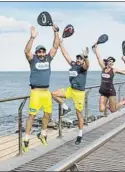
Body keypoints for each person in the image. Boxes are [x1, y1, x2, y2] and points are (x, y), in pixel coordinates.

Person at [22, 24, 59, 152]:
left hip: (46, 92)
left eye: (43, 51)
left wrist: (56, 32)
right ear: (37, 53)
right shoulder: (33, 60)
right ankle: (26, 139)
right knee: (32, 115)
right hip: (36, 92)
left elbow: (55, 46)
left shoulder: (48, 58)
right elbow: (26, 51)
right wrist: (32, 38)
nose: (42, 53)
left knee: (48, 114)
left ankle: (42, 134)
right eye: (39, 51)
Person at [51, 39, 89, 145]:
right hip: (70, 90)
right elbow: (66, 54)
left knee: (79, 114)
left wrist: (86, 57)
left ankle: (80, 134)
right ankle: (66, 107)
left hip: (79, 94)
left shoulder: (83, 68)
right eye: (78, 58)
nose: (78, 60)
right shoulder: (73, 65)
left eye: (80, 59)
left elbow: (87, 64)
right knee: (54, 94)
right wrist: (61, 44)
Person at [93, 44, 125, 113]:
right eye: (109, 61)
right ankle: (109, 105)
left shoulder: (114, 70)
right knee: (101, 109)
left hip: (111, 91)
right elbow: (98, 57)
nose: (111, 62)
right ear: (107, 62)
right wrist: (96, 48)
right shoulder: (103, 67)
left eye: (112, 62)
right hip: (103, 91)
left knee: (113, 110)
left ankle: (124, 101)